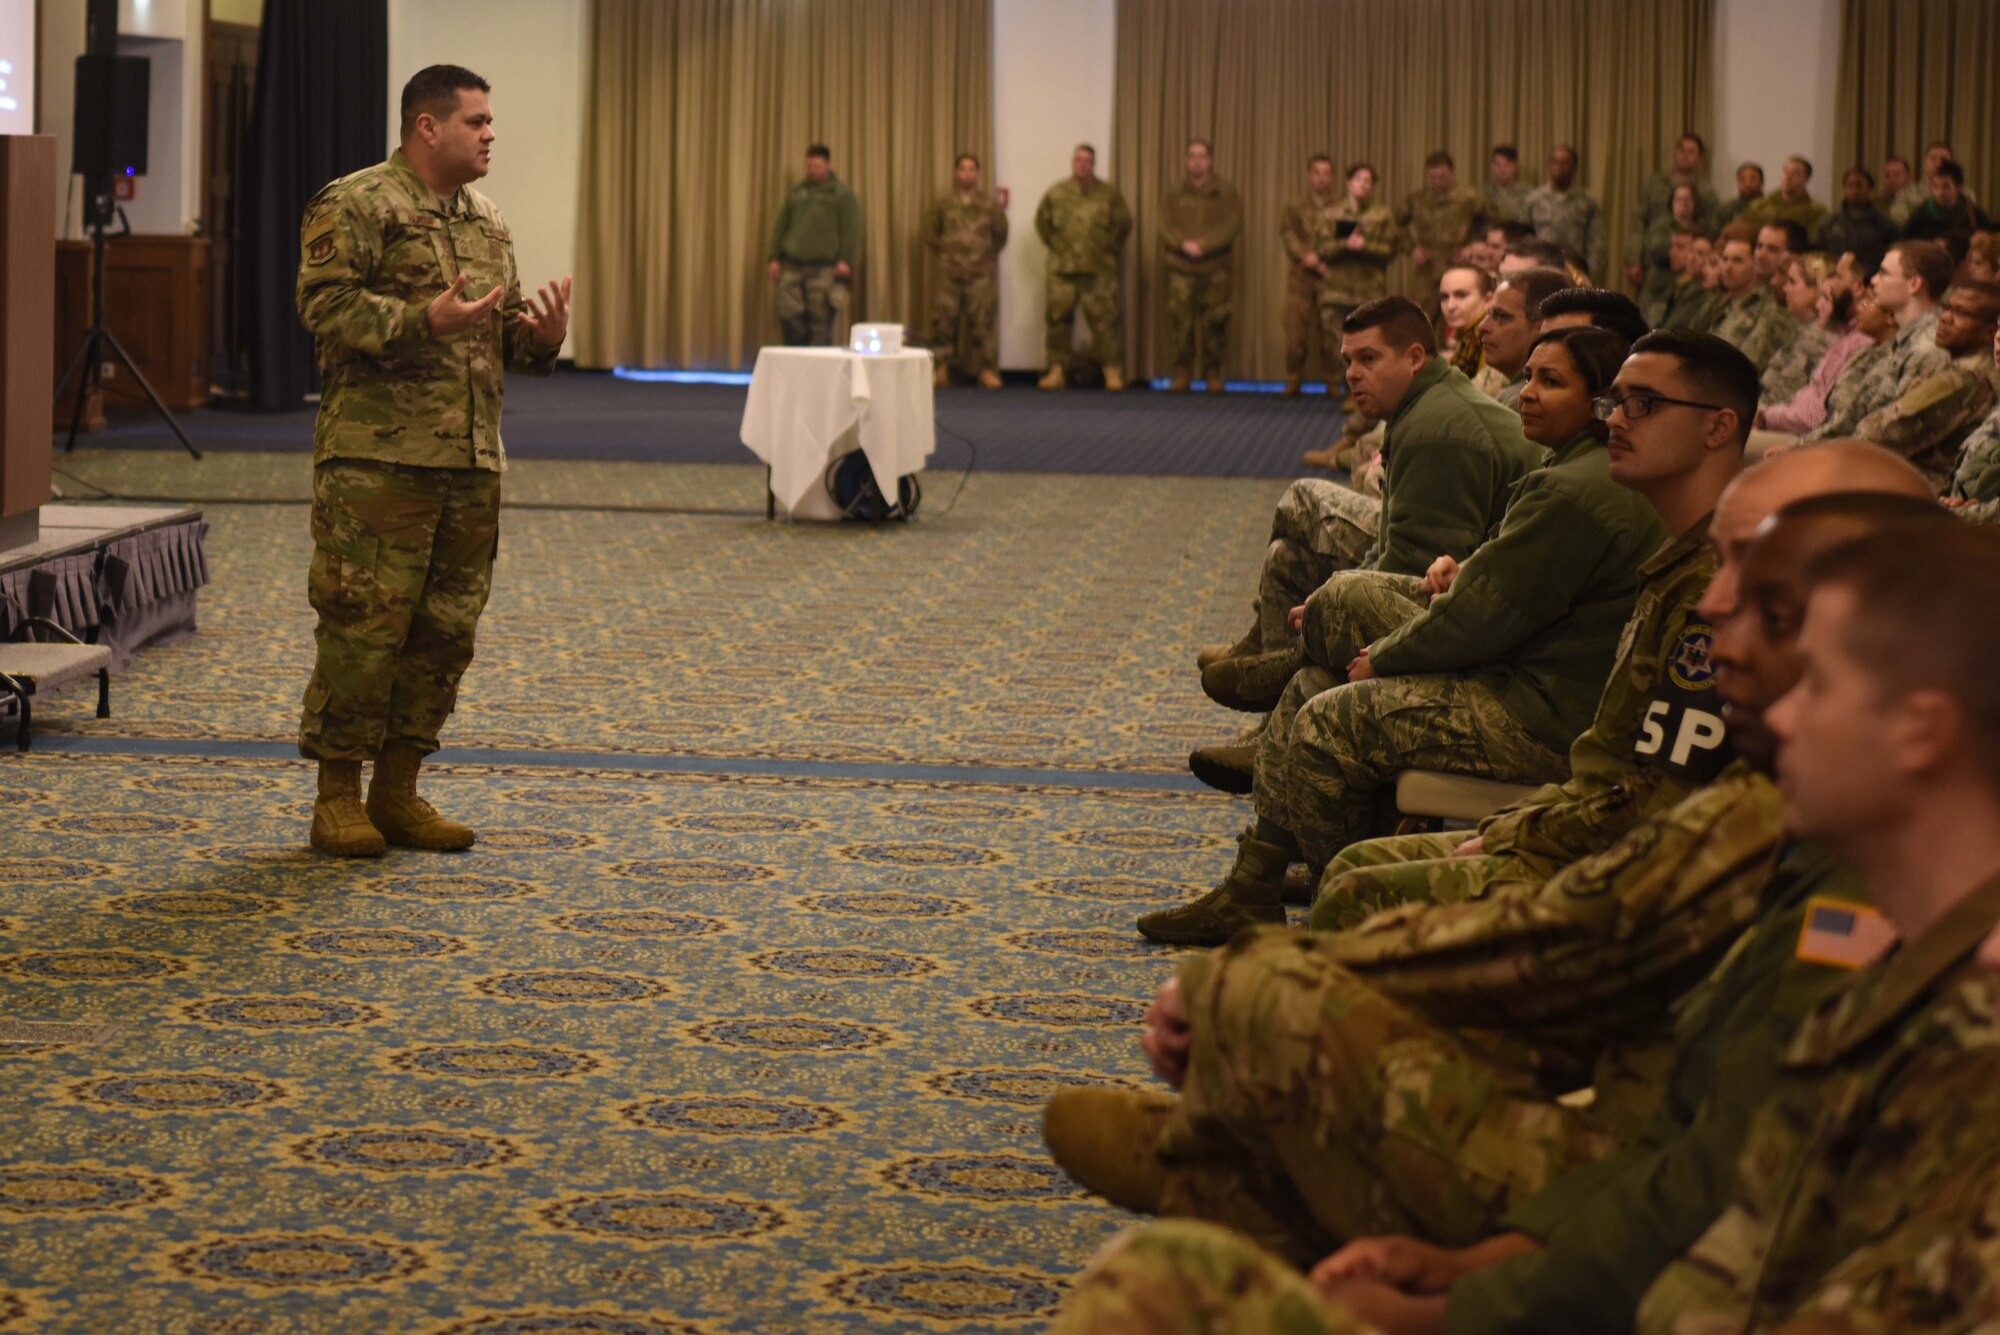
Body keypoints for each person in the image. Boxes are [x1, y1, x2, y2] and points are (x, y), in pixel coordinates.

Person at [1044, 453, 1941, 1333]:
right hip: (1638, 1151)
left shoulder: (1888, 895)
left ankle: (1232, 1170)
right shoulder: (1780, 806)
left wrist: (1465, 1296)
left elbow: (1713, 1189)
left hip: (1642, 1214)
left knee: (1186, 1220)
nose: (1717, 602)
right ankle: (1244, 1173)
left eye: (1767, 597)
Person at [1634, 520, 2000, 1334]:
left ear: (1921, 729)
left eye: (1819, 687)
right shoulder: (1896, 974)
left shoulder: (1974, 1039)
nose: (1784, 715)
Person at [1155, 319, 1613, 945]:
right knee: (1319, 678)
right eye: (1530, 376)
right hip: (1524, 669)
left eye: (1550, 381)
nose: (1526, 392)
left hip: (1539, 711)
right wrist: (1467, 569)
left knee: (1328, 706)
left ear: (1603, 402)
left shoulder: (1572, 485)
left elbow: (1483, 620)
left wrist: (1388, 657)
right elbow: (1501, 580)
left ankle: (1357, 922)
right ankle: (1254, 884)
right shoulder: (1568, 468)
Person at [1308, 332, 1755, 930]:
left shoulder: (1714, 587)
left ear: (1718, 428)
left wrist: (1520, 832)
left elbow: (1662, 798)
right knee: (1350, 871)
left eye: (1643, 403)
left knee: (1353, 895)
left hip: (1636, 869)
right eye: (1615, 402)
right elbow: (1613, 762)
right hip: (1585, 808)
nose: (1617, 419)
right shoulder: (1677, 556)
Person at [295, 64, 569, 857]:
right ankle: (337, 796)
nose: (489, 135)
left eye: (490, 123)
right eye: (476, 122)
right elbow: (324, 305)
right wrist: (423, 320)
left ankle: (399, 789)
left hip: (470, 461)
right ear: (428, 127)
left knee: (444, 634)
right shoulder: (355, 203)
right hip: (379, 463)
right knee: (362, 629)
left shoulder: (487, 220)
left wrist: (541, 339)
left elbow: (503, 329)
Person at [1846, 279, 2000, 485]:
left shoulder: (1963, 378)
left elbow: (1876, 434)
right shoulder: (1976, 368)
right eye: (1948, 308)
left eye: (1962, 313)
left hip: (1921, 492)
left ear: (1989, 333)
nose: (1945, 318)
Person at [1804, 239, 1955, 442]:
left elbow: (1893, 434)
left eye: (1884, 273)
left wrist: (1804, 451)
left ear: (1915, 284)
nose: (1873, 280)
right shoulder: (1899, 340)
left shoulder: (1927, 349)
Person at [1035, 143, 1133, 391]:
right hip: (1062, 271)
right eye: (1079, 160)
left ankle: (1112, 372)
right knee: (1058, 322)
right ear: (1072, 162)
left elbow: (1123, 225)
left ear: (1094, 164)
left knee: (1106, 323)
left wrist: (1105, 249)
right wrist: (1059, 247)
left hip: (1099, 271)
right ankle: (1057, 371)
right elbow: (1042, 225)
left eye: (1088, 161)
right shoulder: (1056, 193)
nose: (1083, 164)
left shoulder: (1109, 194)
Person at [1314, 162, 1401, 411]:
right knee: (1333, 342)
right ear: (1348, 183)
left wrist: (1366, 247)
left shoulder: (1382, 215)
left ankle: (1360, 393)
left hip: (1369, 292)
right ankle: (1337, 386)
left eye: (1368, 182)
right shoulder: (1331, 214)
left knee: (1367, 344)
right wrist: (1344, 245)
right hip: (1335, 290)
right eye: (1358, 180)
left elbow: (1390, 251)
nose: (1363, 185)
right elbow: (1321, 248)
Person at [1160, 139, 1243, 393]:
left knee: (1215, 324)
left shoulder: (1226, 191)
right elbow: (1163, 224)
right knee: (1180, 323)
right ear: (1186, 161)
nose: (1196, 161)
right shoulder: (1174, 192)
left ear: (1210, 161)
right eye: (1192, 156)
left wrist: (1205, 245)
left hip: (1215, 268)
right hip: (1180, 267)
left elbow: (1232, 224)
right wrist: (1181, 244)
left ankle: (1213, 374)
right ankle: (1182, 373)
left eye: (1202, 156)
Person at [921, 153, 1007, 389]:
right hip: (948, 274)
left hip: (980, 275)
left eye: (972, 169)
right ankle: (940, 368)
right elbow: (929, 232)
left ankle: (986, 370)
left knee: (982, 324)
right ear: (955, 173)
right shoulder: (943, 203)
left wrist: (984, 257)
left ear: (978, 174)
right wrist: (948, 255)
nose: (967, 174)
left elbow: (1000, 235)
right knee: (943, 323)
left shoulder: (989, 205)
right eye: (963, 169)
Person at [1758, 269, 1875, 437]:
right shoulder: (1843, 337)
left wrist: (1767, 415)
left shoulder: (1856, 342)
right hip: (1792, 424)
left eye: (1826, 299)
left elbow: (1815, 418)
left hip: (1806, 436)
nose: (1818, 304)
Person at [767, 144, 861, 347]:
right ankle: (794, 366)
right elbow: (782, 225)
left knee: (820, 321)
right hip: (793, 266)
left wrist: (846, 260)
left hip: (824, 268)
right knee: (789, 316)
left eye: (817, 166)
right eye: (809, 166)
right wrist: (774, 257)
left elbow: (850, 229)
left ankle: (818, 371)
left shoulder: (841, 194)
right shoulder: (798, 192)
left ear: (828, 165)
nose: (812, 170)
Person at [1281, 154, 1345, 397]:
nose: (1321, 178)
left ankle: (1332, 382)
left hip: (1331, 277)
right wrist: (1304, 255)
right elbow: (1288, 234)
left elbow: (1344, 240)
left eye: (1326, 173)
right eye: (1316, 173)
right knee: (1295, 332)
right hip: (1301, 277)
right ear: (1309, 176)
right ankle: (1293, 379)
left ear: (1332, 177)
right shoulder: (1295, 206)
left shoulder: (1341, 207)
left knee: (1331, 335)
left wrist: (1327, 261)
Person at [1397, 151, 1486, 319]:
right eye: (1432, 177)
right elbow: (1395, 225)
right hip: (1427, 269)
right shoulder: (1417, 199)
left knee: (1461, 318)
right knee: (1419, 319)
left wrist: (1473, 248)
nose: (1437, 182)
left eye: (1442, 177)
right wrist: (1411, 249)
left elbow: (1490, 224)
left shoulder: (1469, 198)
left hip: (1459, 265)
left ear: (1452, 173)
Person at [1627, 132, 1717, 290]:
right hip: (1655, 265)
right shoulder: (1655, 184)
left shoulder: (1706, 192)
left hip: (1690, 270)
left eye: (1691, 152)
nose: (1685, 156)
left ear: (1700, 158)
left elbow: (1712, 228)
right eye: (1681, 150)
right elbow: (1639, 223)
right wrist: (1634, 259)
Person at [1707, 225, 1795, 371]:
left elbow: (1746, 366)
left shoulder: (1780, 305)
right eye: (1759, 246)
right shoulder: (1743, 299)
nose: (1761, 255)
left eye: (1772, 249)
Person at [1757, 252, 1835, 407]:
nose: (1785, 289)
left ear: (1817, 287)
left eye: (1792, 282)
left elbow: (1784, 394)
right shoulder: (1804, 329)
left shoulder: (1817, 336)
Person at [1522, 145, 1604, 280]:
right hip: (1540, 268)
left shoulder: (1587, 201)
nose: (1559, 166)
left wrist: (1590, 274)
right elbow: (1524, 239)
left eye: (1565, 163)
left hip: (1575, 270)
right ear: (1548, 164)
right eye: (1555, 161)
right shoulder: (1533, 200)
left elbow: (1596, 242)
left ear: (1574, 167)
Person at [1636, 184, 1706, 324]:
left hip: (1686, 290)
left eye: (1687, 200)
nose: (1683, 204)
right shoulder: (1661, 226)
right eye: (1678, 200)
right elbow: (1655, 250)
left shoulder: (1703, 228)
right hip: (1659, 290)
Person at [1902, 160, 1996, 262]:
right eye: (1935, 187)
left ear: (1959, 187)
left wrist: (1981, 237)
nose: (1940, 192)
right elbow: (1905, 242)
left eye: (1946, 186)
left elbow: (1990, 229)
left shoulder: (1971, 211)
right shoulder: (1922, 213)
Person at [1437, 265, 1498, 394]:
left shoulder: (1491, 340)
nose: (1450, 306)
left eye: (1461, 295)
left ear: (1488, 300)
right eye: (1444, 297)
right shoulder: (1464, 339)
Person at [1818, 166, 1896, 260]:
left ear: (1870, 190)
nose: (1854, 191)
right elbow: (1821, 253)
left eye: (1859, 186)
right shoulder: (1830, 222)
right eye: (1849, 186)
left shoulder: (1884, 223)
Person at [1741, 155, 1827, 236]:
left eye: (1795, 173)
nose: (1788, 176)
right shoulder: (1760, 205)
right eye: (1785, 171)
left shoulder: (1815, 211)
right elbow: (1743, 229)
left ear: (1806, 178)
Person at [1658, 233, 1720, 331]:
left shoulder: (1702, 293)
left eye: (1700, 253)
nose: (1691, 258)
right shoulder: (1686, 286)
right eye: (1691, 251)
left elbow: (1675, 328)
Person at [1485, 145, 1530, 224]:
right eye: (1498, 165)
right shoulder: (1484, 194)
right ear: (1492, 167)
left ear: (1516, 167)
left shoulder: (1528, 194)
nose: (1502, 170)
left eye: (1507, 165)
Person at [1714, 161, 1764, 228]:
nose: (1748, 184)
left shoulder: (1769, 207)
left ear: (1761, 181)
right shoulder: (1727, 209)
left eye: (1753, 179)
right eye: (1743, 179)